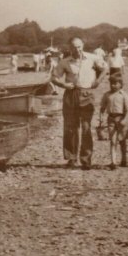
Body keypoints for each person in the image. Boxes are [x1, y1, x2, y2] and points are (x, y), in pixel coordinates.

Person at [51, 37, 108, 169]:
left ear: (83, 45)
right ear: (69, 48)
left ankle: (86, 159)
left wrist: (98, 81)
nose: (77, 50)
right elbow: (54, 77)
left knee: (86, 128)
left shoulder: (92, 58)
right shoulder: (65, 62)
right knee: (71, 127)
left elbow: (105, 68)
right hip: (71, 95)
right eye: (74, 47)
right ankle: (71, 158)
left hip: (87, 94)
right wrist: (63, 84)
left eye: (79, 46)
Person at [99, 75, 128, 169]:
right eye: (111, 83)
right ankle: (113, 162)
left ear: (121, 84)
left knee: (122, 140)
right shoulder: (107, 95)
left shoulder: (124, 95)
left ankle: (124, 159)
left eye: (115, 83)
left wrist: (125, 119)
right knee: (112, 141)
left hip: (121, 119)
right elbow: (102, 108)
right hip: (111, 119)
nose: (113, 85)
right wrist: (101, 118)